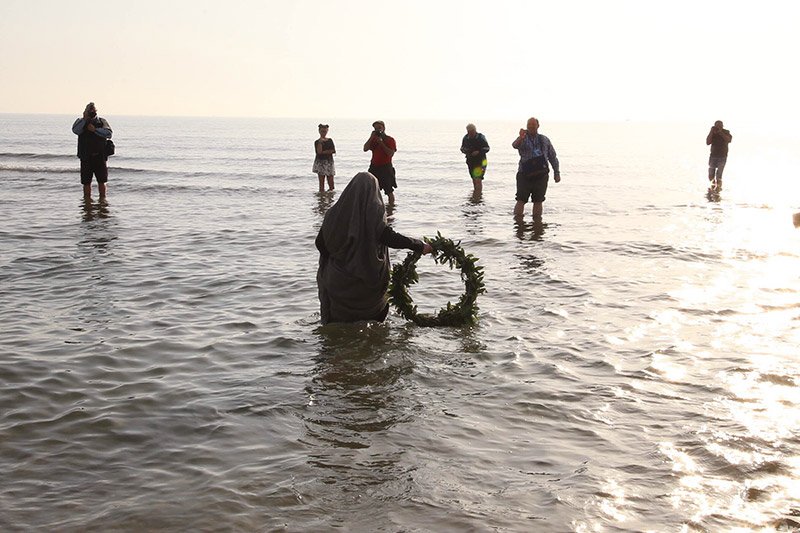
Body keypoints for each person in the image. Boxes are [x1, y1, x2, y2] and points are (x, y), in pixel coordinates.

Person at [316, 172, 433, 325]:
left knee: (336, 331)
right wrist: (419, 245)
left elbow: (321, 244)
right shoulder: (374, 212)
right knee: (370, 329)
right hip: (366, 289)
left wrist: (344, 262)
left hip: (338, 285)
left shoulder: (334, 215)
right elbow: (387, 236)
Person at [512, 117, 560, 219]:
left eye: (533, 124)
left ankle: (537, 226)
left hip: (541, 175)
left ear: (538, 126)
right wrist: (520, 137)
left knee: (538, 201)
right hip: (524, 174)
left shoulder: (544, 139)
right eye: (529, 124)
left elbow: (552, 156)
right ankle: (517, 225)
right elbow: (515, 145)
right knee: (520, 200)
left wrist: (557, 172)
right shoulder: (523, 138)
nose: (531, 126)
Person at [72, 102, 113, 202]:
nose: (91, 112)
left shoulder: (102, 121)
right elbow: (75, 130)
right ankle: (87, 203)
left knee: (102, 181)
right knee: (86, 182)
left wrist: (95, 130)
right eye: (89, 110)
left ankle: (102, 202)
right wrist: (85, 119)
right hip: (86, 157)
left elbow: (109, 133)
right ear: (85, 111)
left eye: (93, 110)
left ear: (96, 111)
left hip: (100, 156)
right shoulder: (80, 122)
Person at [363, 120, 398, 205]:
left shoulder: (390, 139)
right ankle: (373, 208)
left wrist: (381, 143)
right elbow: (365, 148)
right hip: (374, 167)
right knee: (371, 190)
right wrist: (371, 137)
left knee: (389, 190)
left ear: (384, 128)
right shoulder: (373, 140)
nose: (378, 130)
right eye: (375, 128)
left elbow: (390, 154)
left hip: (386, 167)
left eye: (379, 128)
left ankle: (390, 209)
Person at [460, 123, 490, 195]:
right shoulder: (465, 138)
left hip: (481, 161)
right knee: (474, 179)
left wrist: (478, 152)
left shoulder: (481, 137)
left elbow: (487, 148)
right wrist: (465, 151)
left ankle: (478, 196)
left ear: (474, 130)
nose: (470, 133)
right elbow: (462, 148)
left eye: (471, 131)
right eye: (468, 131)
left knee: (478, 179)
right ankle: (476, 195)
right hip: (470, 161)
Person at [706, 120, 732, 191]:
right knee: (711, 175)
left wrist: (721, 133)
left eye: (720, 126)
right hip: (713, 156)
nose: (718, 127)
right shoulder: (713, 133)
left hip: (722, 156)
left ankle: (718, 189)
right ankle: (713, 189)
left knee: (719, 176)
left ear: (722, 126)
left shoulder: (726, 132)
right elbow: (708, 142)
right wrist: (711, 132)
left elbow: (728, 140)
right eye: (716, 126)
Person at [313, 123, 336, 192]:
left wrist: (324, 152)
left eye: (325, 131)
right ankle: (322, 199)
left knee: (331, 182)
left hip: (329, 162)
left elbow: (333, 151)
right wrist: (321, 143)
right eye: (322, 131)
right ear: (319, 131)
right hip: (320, 162)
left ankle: (330, 197)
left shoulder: (330, 140)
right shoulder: (317, 142)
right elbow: (319, 152)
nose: (324, 133)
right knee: (321, 183)